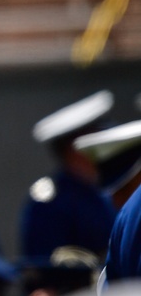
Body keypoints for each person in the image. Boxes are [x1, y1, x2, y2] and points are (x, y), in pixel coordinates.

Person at [19, 91, 117, 266]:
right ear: (74, 148)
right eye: (94, 139)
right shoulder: (50, 202)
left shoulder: (106, 187)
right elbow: (45, 266)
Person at [73, 119, 141, 286]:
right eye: (112, 193)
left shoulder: (126, 219)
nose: (117, 201)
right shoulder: (126, 223)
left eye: (125, 188)